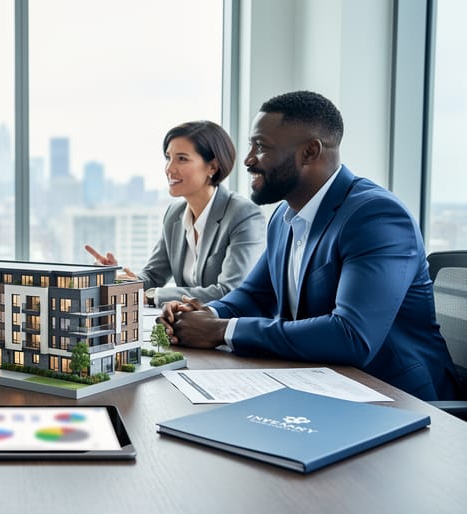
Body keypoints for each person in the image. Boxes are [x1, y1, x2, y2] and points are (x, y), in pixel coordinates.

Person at [160, 90, 461, 401]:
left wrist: (222, 330)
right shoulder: (284, 216)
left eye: (261, 147)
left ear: (309, 152)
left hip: (399, 400)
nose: (248, 160)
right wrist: (200, 314)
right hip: (323, 386)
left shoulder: (376, 217)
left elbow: (352, 335)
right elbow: (254, 295)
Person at [85, 120, 265, 306]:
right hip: (188, 327)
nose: (169, 169)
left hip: (226, 329)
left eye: (182, 159)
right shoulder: (175, 213)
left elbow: (229, 291)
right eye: (168, 158)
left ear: (212, 167)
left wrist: (153, 296)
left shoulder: (243, 215)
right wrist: (116, 279)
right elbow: (152, 277)